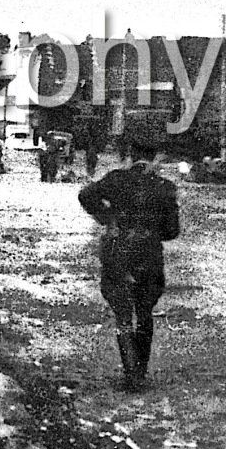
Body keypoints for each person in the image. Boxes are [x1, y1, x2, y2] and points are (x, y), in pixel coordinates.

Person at [77, 137, 182, 389]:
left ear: (130, 155)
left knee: (123, 313)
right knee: (145, 312)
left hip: (118, 251)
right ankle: (140, 371)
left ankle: (130, 371)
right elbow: (172, 231)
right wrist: (152, 231)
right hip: (148, 253)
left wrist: (107, 217)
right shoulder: (165, 187)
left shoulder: (115, 179)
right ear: (154, 157)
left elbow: (85, 195)